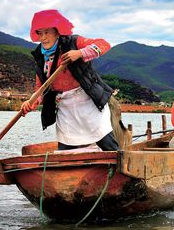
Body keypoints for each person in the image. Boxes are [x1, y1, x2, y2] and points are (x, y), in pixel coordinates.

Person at [21, 9, 119, 151]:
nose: (43, 38)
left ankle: (120, 170)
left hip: (89, 103)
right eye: (40, 33)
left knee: (108, 146)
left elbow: (104, 44)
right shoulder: (40, 57)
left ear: (57, 31)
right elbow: (40, 89)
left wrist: (79, 53)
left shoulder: (73, 42)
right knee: (64, 152)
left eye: (47, 32)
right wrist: (30, 103)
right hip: (66, 108)